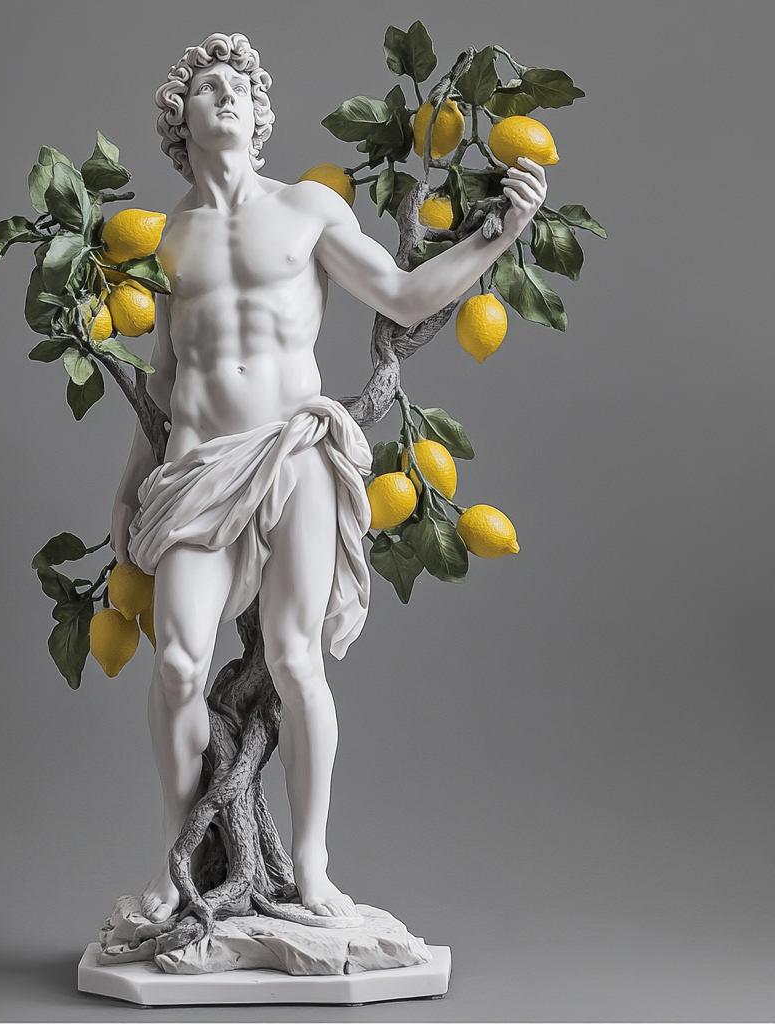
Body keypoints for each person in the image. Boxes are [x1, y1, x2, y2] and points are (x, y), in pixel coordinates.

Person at [111, 32, 547, 924]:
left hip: (297, 450)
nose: (226, 96)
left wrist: (501, 234)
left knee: (296, 658)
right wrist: (126, 486)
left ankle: (311, 869)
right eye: (207, 88)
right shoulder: (167, 239)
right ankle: (174, 859)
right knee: (180, 665)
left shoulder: (307, 207)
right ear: (180, 123)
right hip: (197, 467)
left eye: (241, 85)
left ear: (261, 116)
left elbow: (404, 294)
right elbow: (163, 379)